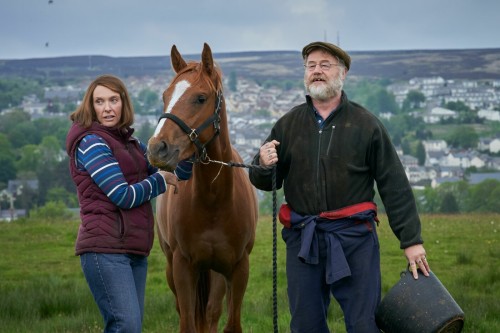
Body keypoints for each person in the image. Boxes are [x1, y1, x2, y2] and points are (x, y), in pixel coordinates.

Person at [249, 42, 431, 333]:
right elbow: (265, 180)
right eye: (311, 65)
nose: (317, 71)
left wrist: (411, 241)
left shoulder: (366, 124)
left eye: (325, 65)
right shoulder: (287, 125)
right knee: (305, 325)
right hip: (303, 241)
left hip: (354, 239)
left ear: (342, 73)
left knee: (363, 325)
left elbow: (393, 184)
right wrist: (262, 162)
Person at [65, 74, 192, 333]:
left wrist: (191, 146)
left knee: (129, 327)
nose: (108, 108)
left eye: (114, 99)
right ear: (91, 106)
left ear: (124, 103)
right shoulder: (91, 143)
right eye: (100, 101)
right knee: (126, 325)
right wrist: (161, 181)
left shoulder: (129, 143)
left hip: (132, 249)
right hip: (105, 249)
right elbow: (122, 195)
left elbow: (174, 167)